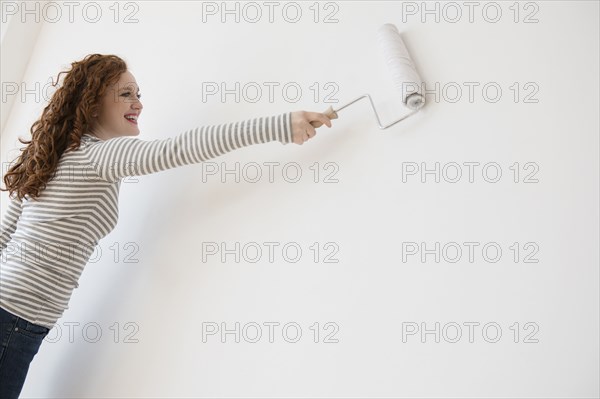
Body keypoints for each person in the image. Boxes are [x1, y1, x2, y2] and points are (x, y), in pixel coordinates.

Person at [0, 53, 333, 397]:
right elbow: (179, 148)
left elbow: (4, 237)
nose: (138, 104)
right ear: (93, 102)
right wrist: (278, 125)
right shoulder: (97, 156)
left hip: (16, 316)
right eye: (125, 93)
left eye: (139, 94)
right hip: (14, 318)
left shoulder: (54, 156)